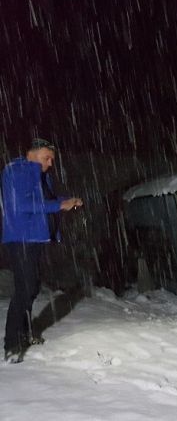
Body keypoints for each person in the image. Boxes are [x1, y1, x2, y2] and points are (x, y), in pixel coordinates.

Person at [1, 138, 83, 362]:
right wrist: (58, 206)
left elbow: (44, 200)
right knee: (25, 289)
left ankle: (26, 333)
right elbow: (21, 205)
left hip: (36, 239)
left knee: (32, 286)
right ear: (32, 153)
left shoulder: (41, 175)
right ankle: (12, 345)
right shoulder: (16, 170)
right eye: (47, 158)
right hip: (21, 238)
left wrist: (66, 201)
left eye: (52, 159)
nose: (50, 163)